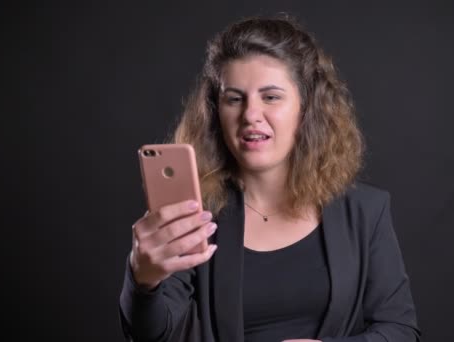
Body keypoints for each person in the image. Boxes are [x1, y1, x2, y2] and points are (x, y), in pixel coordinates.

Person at [119, 14, 421, 342]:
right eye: (234, 99)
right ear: (216, 111)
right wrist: (143, 282)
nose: (250, 115)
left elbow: (401, 332)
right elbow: (153, 336)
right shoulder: (193, 216)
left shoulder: (366, 211)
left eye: (271, 97)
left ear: (305, 107)